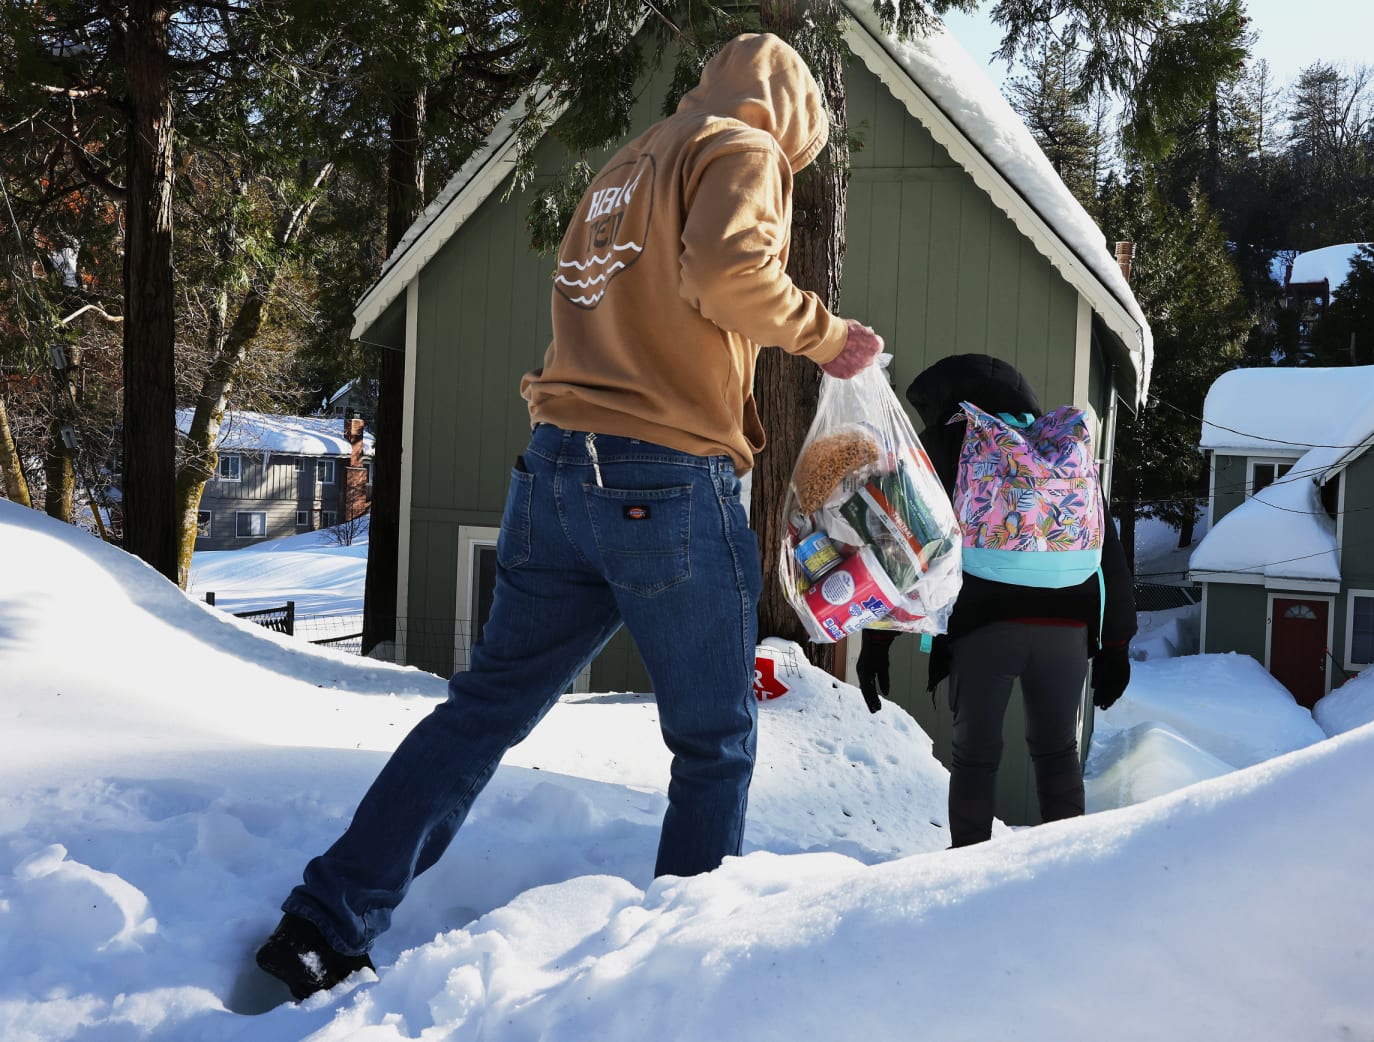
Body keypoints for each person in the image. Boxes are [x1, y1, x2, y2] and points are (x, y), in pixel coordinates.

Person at [255, 32, 884, 1001]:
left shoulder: (630, 162)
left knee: (482, 711)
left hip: (555, 469)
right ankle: (676, 984)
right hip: (666, 480)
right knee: (714, 744)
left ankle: (322, 923)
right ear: (792, 113)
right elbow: (725, 276)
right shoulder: (745, 150)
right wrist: (828, 336)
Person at [856, 354, 1134, 845]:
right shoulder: (1059, 449)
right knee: (1056, 752)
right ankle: (1069, 871)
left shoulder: (951, 441)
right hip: (1068, 627)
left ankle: (969, 875)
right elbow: (1105, 548)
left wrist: (878, 639)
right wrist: (1115, 646)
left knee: (976, 758)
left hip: (984, 625)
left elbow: (904, 546)